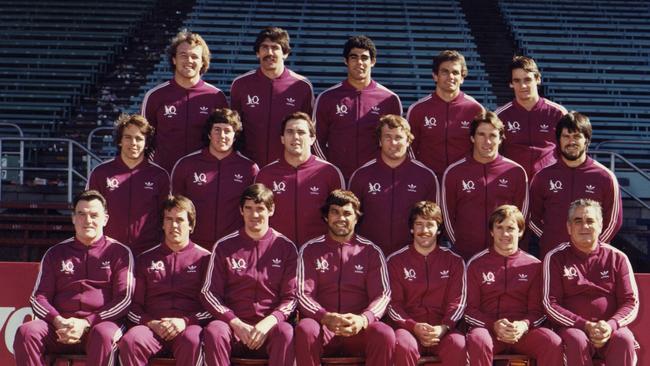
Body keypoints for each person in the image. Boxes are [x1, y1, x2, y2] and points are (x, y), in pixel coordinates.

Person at [14, 190, 134, 366]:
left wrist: (86, 323)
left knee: (104, 335)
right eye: (81, 214)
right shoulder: (55, 253)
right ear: (73, 218)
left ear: (105, 219)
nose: (88, 220)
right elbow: (39, 297)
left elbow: (124, 299)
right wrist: (58, 320)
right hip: (61, 327)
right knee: (26, 332)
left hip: (100, 325)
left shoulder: (120, 253)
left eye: (94, 215)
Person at [201, 183, 297, 366]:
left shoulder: (286, 247)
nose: (254, 215)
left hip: (269, 328)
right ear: (241, 210)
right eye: (249, 208)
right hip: (233, 327)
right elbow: (209, 293)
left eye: (260, 208)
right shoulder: (224, 246)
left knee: (286, 332)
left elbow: (291, 298)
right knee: (214, 330)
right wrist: (235, 323)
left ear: (271, 210)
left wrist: (267, 324)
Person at [296, 189, 394, 366]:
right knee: (305, 329)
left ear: (357, 218)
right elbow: (303, 294)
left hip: (357, 327)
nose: (341, 218)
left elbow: (383, 295)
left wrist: (363, 319)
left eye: (347, 213)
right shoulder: (310, 250)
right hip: (323, 326)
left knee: (384, 334)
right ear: (326, 217)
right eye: (335, 212)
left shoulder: (371, 251)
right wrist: (325, 317)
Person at [543, 199, 639, 366]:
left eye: (590, 221)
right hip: (573, 329)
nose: (584, 226)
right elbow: (550, 304)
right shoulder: (555, 258)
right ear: (569, 227)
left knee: (624, 339)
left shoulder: (618, 258)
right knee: (576, 340)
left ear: (600, 225)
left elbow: (630, 302)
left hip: (610, 328)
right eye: (578, 221)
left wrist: (610, 325)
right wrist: (585, 325)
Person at [465, 205, 563, 366]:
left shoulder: (535, 266)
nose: (505, 234)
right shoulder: (476, 264)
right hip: (488, 330)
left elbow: (538, 311)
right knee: (478, 341)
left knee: (552, 342)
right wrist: (493, 325)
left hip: (523, 332)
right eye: (499, 227)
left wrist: (523, 325)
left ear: (520, 231)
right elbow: (469, 310)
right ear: (491, 231)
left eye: (510, 228)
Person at [119, 195, 211, 366]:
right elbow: (133, 306)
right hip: (152, 327)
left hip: (187, 327)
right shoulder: (145, 258)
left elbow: (212, 307)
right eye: (169, 219)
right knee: (131, 341)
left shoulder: (206, 259)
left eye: (180, 220)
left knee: (193, 341)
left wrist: (185, 322)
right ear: (162, 224)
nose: (174, 225)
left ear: (191, 225)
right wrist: (151, 323)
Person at [530, 112, 622, 258]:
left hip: (591, 258)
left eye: (577, 136)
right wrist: (551, 239)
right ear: (558, 141)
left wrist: (592, 246)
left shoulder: (605, 177)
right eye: (566, 136)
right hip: (553, 256)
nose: (571, 141)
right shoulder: (542, 177)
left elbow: (614, 221)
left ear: (587, 140)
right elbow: (531, 218)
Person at [387, 201, 466, 366]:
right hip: (409, 329)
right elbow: (393, 305)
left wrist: (444, 327)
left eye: (430, 225)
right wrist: (413, 326)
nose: (424, 231)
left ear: (438, 229)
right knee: (403, 346)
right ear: (411, 229)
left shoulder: (454, 261)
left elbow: (457, 302)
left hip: (443, 329)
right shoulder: (395, 261)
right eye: (419, 225)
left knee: (458, 345)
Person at [441, 111, 528, 260]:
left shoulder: (516, 172)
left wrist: (507, 244)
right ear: (472, 138)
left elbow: (522, 216)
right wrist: (460, 243)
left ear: (501, 139)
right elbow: (446, 216)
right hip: (465, 254)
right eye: (481, 135)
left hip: (503, 254)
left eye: (493, 135)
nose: (487, 141)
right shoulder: (454, 172)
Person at [313, 35, 402, 179]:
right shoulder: (327, 98)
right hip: (337, 177)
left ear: (373, 61)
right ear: (345, 61)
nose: (359, 62)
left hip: (375, 178)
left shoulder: (389, 99)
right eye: (354, 57)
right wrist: (329, 169)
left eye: (364, 58)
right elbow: (315, 140)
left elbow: (398, 142)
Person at [349, 114, 439, 256]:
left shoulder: (425, 176)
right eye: (387, 137)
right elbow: (351, 220)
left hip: (411, 258)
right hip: (367, 255)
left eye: (398, 137)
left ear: (408, 141)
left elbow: (433, 222)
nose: (393, 143)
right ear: (380, 141)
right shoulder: (361, 175)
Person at [171, 108, 259, 249]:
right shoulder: (186, 165)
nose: (222, 135)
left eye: (227, 131)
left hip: (234, 247)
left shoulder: (249, 168)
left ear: (235, 136)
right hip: (193, 246)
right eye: (217, 130)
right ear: (209, 133)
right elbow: (174, 209)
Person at [141, 30, 228, 173]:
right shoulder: (155, 96)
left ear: (203, 62)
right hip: (165, 176)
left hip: (203, 178)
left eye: (195, 57)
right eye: (183, 55)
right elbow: (143, 139)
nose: (189, 61)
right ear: (174, 59)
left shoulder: (216, 96)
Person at [255, 112, 344, 246]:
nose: (295, 137)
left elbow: (341, 218)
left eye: (301, 132)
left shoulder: (330, 172)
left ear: (312, 138)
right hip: (276, 251)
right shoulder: (266, 174)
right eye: (290, 132)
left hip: (318, 253)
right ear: (282, 138)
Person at [87, 114, 170, 256]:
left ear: (147, 143)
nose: (133, 143)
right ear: (120, 141)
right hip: (108, 252)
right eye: (128, 137)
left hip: (147, 253)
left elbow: (166, 216)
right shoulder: (101, 173)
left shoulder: (159, 176)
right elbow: (89, 212)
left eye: (139, 138)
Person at [230, 26, 314, 167]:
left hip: (287, 167)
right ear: (257, 52)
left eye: (275, 47)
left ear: (285, 53)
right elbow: (233, 129)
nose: (269, 52)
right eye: (264, 47)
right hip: (247, 167)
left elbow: (309, 133)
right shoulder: (240, 84)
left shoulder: (302, 86)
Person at [406, 50, 484, 179]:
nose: (450, 77)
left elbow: (481, 148)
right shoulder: (417, 109)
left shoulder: (475, 109)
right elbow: (409, 148)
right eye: (445, 72)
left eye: (455, 72)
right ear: (435, 76)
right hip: (428, 179)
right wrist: (421, 173)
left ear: (462, 78)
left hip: (465, 180)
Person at [495, 56, 567, 179]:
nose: (523, 86)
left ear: (538, 79)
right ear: (511, 84)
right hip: (513, 181)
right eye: (517, 81)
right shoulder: (500, 116)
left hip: (550, 182)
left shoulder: (558, 113)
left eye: (527, 79)